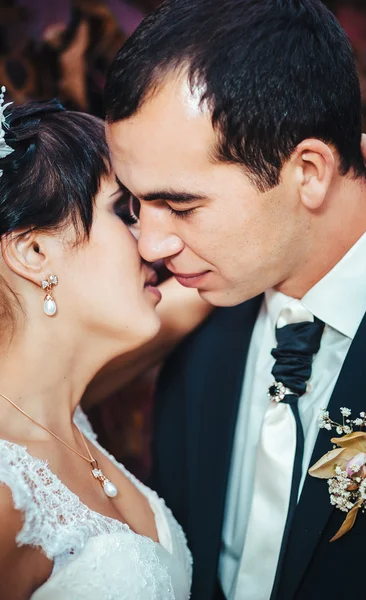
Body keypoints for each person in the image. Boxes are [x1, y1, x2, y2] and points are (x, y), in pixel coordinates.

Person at [104, 1, 366, 598]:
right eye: (135, 203)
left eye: (182, 206)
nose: (152, 243)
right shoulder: (193, 315)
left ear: (309, 171)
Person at [0, 96, 210, 599]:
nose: (153, 242)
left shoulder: (66, 418)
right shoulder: (6, 490)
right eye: (125, 211)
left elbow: (211, 286)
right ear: (33, 251)